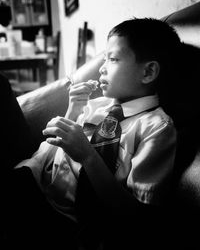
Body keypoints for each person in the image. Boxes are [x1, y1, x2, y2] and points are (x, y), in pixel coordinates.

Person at [4, 18, 181, 250]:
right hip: (36, 183)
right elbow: (57, 151)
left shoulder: (156, 128)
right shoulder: (97, 106)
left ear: (148, 72)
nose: (102, 67)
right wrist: (73, 110)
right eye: (104, 58)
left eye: (113, 59)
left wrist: (88, 156)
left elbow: (137, 216)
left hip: (69, 224)